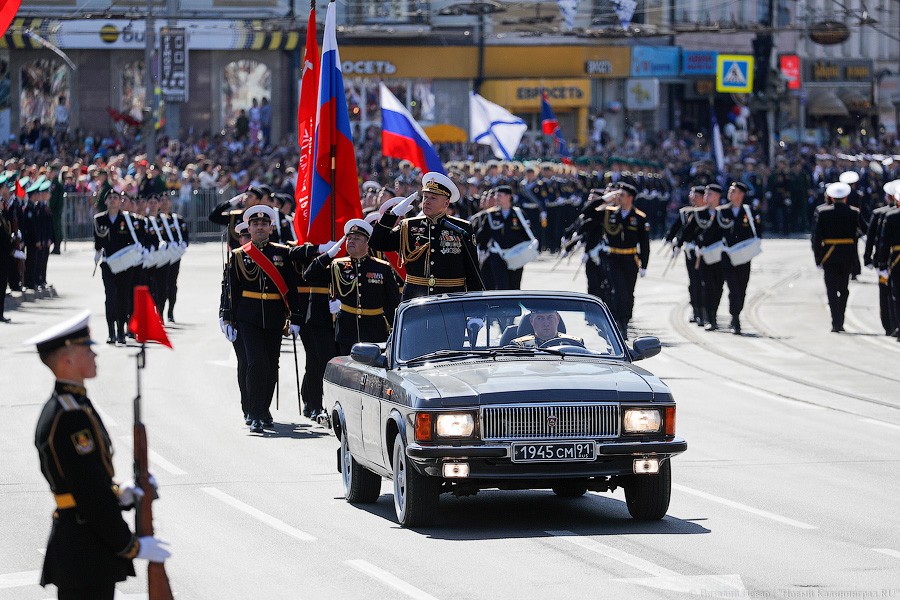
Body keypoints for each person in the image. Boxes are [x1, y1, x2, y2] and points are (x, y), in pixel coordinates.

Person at [29, 310, 170, 599]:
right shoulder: (70, 417)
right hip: (84, 546)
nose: (95, 355)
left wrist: (120, 494)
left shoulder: (73, 406)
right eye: (88, 349)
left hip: (85, 546)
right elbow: (89, 493)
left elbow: (88, 480)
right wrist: (131, 544)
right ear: (67, 359)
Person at [220, 205, 303, 433]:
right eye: (255, 224)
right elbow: (231, 290)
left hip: (274, 316)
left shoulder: (282, 253)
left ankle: (264, 410)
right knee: (256, 362)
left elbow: (292, 287)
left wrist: (295, 317)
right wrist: (227, 317)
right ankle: (255, 413)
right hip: (248, 317)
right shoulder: (238, 256)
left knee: (272, 365)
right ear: (248, 227)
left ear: (271, 227)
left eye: (263, 224)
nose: (259, 228)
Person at [369, 172, 483, 300]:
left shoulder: (461, 228)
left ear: (446, 203)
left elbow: (473, 272)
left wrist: (475, 313)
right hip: (416, 300)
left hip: (450, 300)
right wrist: (392, 215)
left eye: (433, 198)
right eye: (425, 197)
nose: (427, 201)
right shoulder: (408, 226)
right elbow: (376, 243)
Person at [303, 219, 401, 355]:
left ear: (368, 243)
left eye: (357, 238)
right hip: (347, 331)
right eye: (349, 238)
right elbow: (309, 275)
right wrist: (328, 255)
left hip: (374, 331)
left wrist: (396, 330)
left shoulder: (382, 268)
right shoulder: (338, 266)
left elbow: (392, 302)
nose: (351, 241)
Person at [595, 182, 649, 339]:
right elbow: (590, 211)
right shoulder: (609, 213)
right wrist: (605, 198)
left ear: (630, 198)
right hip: (614, 258)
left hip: (630, 258)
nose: (618, 197)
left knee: (629, 292)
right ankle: (620, 324)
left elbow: (644, 244)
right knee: (618, 291)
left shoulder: (639, 217)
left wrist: (644, 264)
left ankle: (626, 318)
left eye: (622, 195)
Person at [811, 182, 860, 333]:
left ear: (831, 198)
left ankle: (835, 322)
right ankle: (841, 319)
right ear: (845, 198)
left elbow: (816, 237)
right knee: (844, 289)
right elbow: (859, 234)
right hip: (846, 255)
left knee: (831, 290)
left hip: (829, 256)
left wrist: (818, 258)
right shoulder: (854, 212)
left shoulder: (823, 212)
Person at [93, 190, 140, 345]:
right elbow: (98, 242)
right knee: (110, 296)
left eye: (116, 198)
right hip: (108, 263)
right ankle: (111, 332)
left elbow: (135, 241)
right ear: (105, 202)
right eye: (110, 198)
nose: (113, 200)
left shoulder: (128, 219)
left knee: (123, 297)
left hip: (125, 264)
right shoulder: (99, 219)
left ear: (121, 201)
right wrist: (97, 253)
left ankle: (121, 332)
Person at [717, 181, 762, 335]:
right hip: (727, 255)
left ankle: (736, 312)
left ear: (741, 194)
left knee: (742, 288)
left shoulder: (749, 211)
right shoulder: (722, 211)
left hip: (743, 256)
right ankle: (735, 318)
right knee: (733, 288)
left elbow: (758, 231)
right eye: (729, 190)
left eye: (733, 190)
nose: (730, 192)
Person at [473, 185, 536, 290]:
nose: (497, 198)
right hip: (497, 255)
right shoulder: (491, 215)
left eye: (500, 196)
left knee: (515, 286)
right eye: (496, 196)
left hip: (515, 255)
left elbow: (528, 233)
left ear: (508, 197)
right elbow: (482, 235)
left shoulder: (518, 214)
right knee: (502, 287)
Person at [863, 180, 900, 336]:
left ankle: (891, 326)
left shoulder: (884, 214)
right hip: (890, 259)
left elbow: (878, 240)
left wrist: (876, 261)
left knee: (891, 295)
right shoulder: (884, 214)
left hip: (892, 260)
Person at [667, 185, 705, 325]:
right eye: (691, 194)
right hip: (691, 252)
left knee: (707, 283)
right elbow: (678, 228)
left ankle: (707, 311)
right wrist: (674, 241)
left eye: (695, 195)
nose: (692, 197)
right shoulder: (686, 212)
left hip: (706, 252)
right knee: (694, 282)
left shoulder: (708, 212)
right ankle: (696, 310)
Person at [693, 183, 725, 331]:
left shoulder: (724, 212)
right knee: (707, 287)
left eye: (710, 194)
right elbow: (690, 231)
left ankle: (714, 312)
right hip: (705, 256)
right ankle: (710, 318)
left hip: (721, 256)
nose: (706, 197)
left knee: (719, 287)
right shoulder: (700, 213)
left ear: (718, 196)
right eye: (705, 194)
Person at [875, 188, 900, 342]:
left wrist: (882, 264)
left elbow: (884, 243)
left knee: (897, 295)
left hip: (896, 261)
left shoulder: (890, 216)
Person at [512, 308, 583, 348]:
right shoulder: (520, 346)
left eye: (550, 318)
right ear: (531, 321)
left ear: (558, 318)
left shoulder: (574, 344)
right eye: (540, 318)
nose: (546, 323)